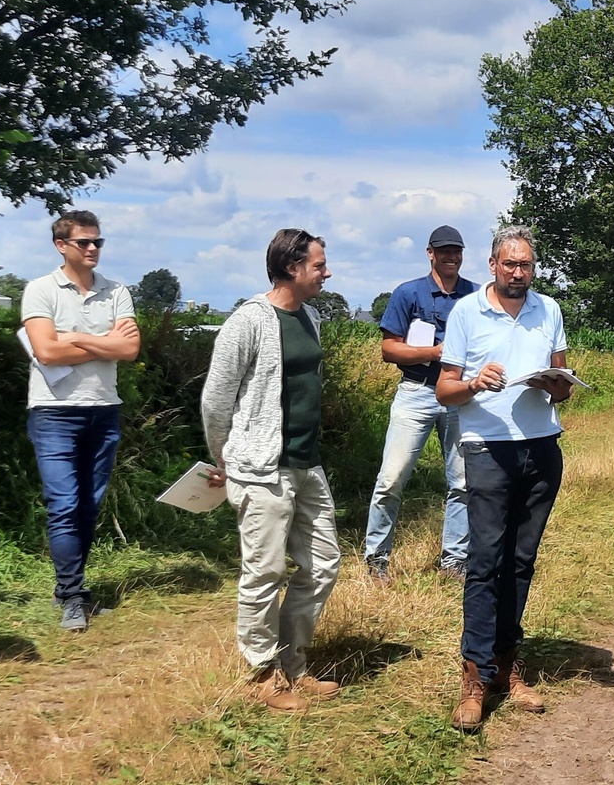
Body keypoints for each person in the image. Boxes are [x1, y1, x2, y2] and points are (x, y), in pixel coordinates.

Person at [436, 224, 573, 732]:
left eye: (527, 265)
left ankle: (508, 668)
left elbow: (564, 384)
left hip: (541, 448)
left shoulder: (549, 310)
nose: (519, 272)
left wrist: (557, 385)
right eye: (510, 264)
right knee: (485, 562)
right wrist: (474, 382)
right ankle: (474, 674)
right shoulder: (467, 311)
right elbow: (445, 391)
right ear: (493, 265)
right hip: (488, 448)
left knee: (521, 561)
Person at [201, 228, 343, 712]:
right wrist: (223, 457)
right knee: (263, 571)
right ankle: (262, 675)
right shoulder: (248, 321)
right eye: (319, 265)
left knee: (322, 564)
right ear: (291, 268)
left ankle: (293, 663)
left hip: (307, 464)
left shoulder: (312, 316)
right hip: (261, 468)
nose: (327, 273)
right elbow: (216, 398)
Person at [20, 210, 139, 631]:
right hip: (54, 412)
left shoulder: (116, 291)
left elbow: (129, 350)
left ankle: (68, 587)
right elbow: (46, 353)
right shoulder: (40, 290)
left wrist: (73, 338)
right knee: (64, 504)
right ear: (61, 246)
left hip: (103, 409)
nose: (92, 249)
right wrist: (104, 342)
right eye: (84, 242)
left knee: (88, 505)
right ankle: (72, 594)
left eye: (98, 242)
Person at [362, 225, 476, 582]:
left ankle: (454, 561)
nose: (451, 257)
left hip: (459, 395)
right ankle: (376, 560)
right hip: (416, 393)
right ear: (430, 253)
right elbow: (388, 349)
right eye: (444, 251)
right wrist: (435, 353)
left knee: (462, 482)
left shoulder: (475, 295)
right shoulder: (408, 293)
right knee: (391, 478)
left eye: (456, 251)